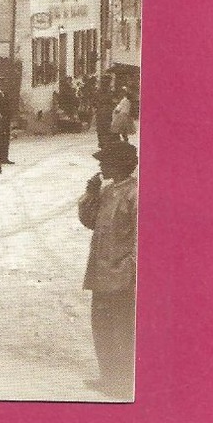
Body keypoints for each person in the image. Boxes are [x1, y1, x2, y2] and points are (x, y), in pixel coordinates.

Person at [77, 140, 138, 399]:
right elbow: (90, 222)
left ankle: (125, 383)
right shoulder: (109, 191)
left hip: (123, 274)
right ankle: (109, 377)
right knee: (102, 325)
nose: (101, 165)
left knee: (123, 328)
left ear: (123, 164)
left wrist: (131, 268)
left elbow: (141, 238)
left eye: (106, 161)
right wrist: (91, 194)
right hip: (101, 272)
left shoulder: (136, 194)